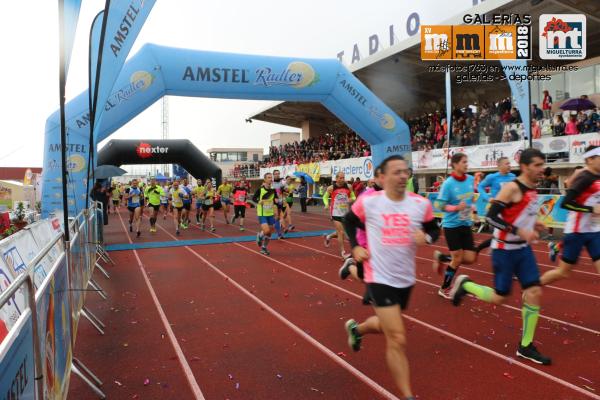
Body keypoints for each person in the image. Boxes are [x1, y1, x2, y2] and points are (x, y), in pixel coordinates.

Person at [343, 155, 439, 400]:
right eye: (396, 172)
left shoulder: (420, 204)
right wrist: (354, 247)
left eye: (405, 171)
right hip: (378, 276)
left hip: (405, 278)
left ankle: (357, 330)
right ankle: (407, 395)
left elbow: (433, 229)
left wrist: (426, 238)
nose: (403, 176)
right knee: (397, 337)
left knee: (387, 326)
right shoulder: (370, 202)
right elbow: (349, 220)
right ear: (382, 178)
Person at [450, 148, 551, 365]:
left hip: (523, 250)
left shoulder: (533, 189)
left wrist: (534, 224)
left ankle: (526, 346)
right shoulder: (512, 188)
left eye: (542, 165)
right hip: (504, 250)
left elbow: (520, 215)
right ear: (525, 167)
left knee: (533, 291)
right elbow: (491, 218)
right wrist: (518, 230)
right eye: (537, 165)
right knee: (500, 297)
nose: (542, 169)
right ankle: (466, 285)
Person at [541, 146, 600, 283]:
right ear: (590, 159)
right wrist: (591, 209)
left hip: (594, 231)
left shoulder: (597, 176)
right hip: (577, 233)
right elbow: (565, 203)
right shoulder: (585, 178)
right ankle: (532, 287)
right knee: (563, 273)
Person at [432, 153, 479, 298]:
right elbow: (438, 204)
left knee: (471, 258)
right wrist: (455, 208)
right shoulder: (448, 183)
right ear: (455, 165)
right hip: (451, 225)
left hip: (465, 223)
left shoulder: (470, 180)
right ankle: (444, 288)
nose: (467, 164)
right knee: (458, 258)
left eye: (467, 161)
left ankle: (443, 258)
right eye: (464, 162)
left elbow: (471, 198)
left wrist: (474, 211)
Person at [323, 171, 356, 258]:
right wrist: (326, 204)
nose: (342, 179)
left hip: (345, 213)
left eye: (343, 178)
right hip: (335, 212)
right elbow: (325, 197)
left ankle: (329, 236)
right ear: (336, 178)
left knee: (340, 232)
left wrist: (351, 199)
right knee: (341, 232)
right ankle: (343, 252)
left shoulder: (349, 187)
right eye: (340, 178)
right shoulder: (331, 188)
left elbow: (353, 197)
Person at [253, 172, 279, 255]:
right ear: (265, 179)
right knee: (266, 230)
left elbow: (275, 201)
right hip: (262, 213)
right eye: (268, 177)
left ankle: (264, 248)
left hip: (270, 213)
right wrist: (258, 201)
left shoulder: (273, 190)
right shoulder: (260, 190)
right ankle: (260, 236)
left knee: (269, 233)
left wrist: (277, 203)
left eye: (271, 177)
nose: (270, 179)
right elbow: (253, 198)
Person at [271, 170, 286, 238]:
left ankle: (278, 228)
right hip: (273, 202)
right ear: (273, 175)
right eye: (276, 174)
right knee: (278, 217)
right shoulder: (271, 183)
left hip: (280, 201)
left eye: (278, 174)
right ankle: (280, 233)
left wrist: (285, 189)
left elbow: (285, 192)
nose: (277, 175)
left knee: (280, 217)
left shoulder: (282, 183)